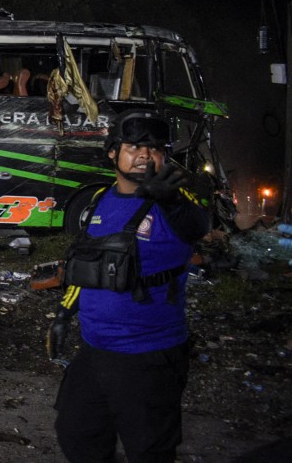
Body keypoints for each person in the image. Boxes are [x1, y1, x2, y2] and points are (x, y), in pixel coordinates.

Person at [50, 109, 211, 462]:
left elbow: (197, 225)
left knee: (149, 451)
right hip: (94, 350)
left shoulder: (176, 203)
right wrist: (64, 313)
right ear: (112, 152)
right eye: (134, 146)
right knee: (77, 434)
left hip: (149, 356)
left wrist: (169, 198)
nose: (144, 155)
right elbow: (87, 266)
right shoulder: (99, 201)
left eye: (154, 149)